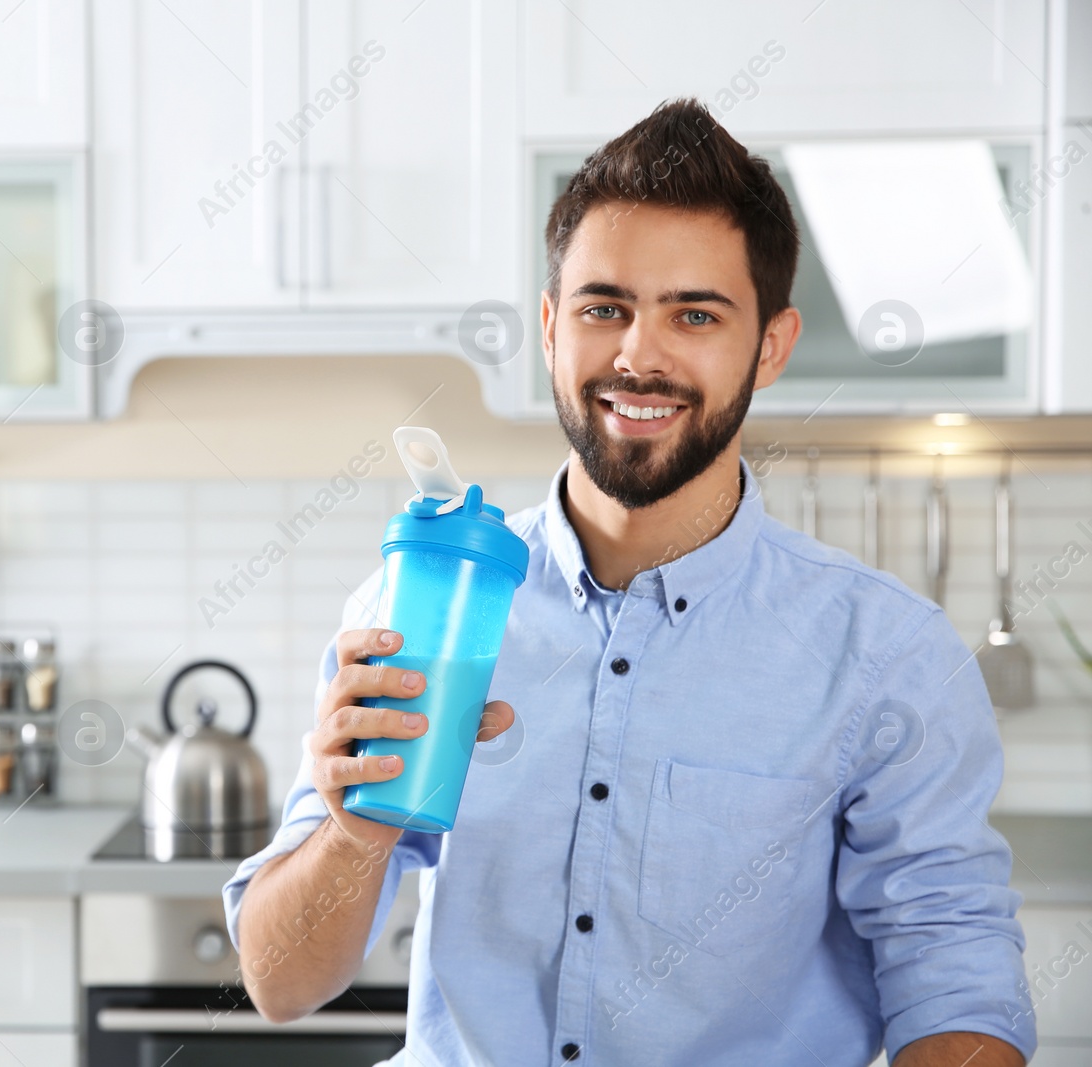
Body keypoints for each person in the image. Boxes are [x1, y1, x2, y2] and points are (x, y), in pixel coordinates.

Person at [221, 98, 1033, 1066]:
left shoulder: (884, 649)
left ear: (770, 345)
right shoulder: (421, 607)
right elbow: (280, 983)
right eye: (604, 307)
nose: (638, 355)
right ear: (550, 326)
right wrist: (351, 835)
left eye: (694, 313)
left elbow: (951, 968)